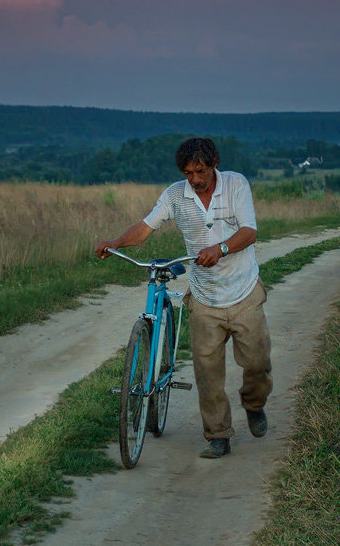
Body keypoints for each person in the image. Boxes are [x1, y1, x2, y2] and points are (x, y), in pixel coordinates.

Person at [95, 137, 272, 459]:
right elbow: (147, 227)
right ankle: (218, 435)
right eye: (188, 173)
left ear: (213, 164)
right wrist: (116, 242)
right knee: (207, 373)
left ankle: (254, 405)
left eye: (200, 171)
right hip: (204, 298)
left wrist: (219, 249)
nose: (194, 179)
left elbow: (249, 232)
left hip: (244, 292)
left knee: (257, 363)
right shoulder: (175, 195)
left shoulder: (235, 185)